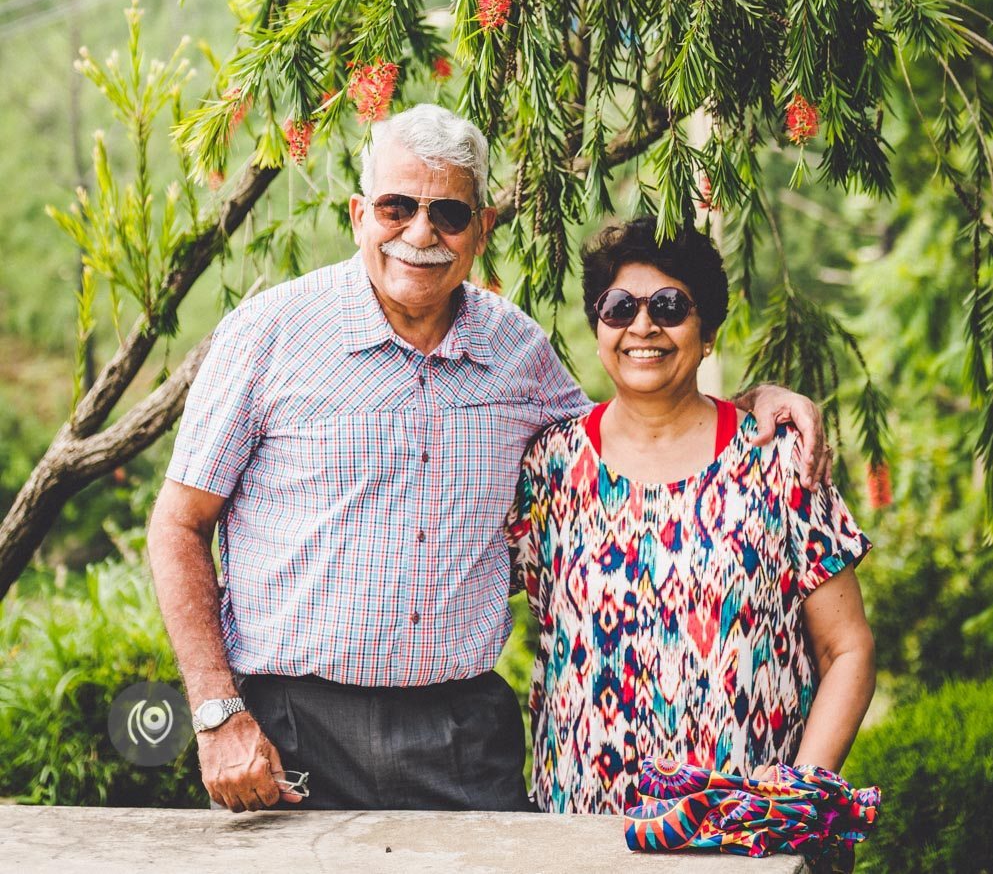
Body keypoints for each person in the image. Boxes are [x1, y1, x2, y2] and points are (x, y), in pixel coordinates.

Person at [147, 105, 827, 814]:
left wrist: (744, 406)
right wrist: (219, 715)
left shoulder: (519, 352)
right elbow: (178, 528)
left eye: (447, 213)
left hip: (463, 739)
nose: (420, 233)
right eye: (396, 207)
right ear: (358, 214)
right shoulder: (268, 335)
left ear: (481, 229)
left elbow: (631, 433)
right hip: (293, 730)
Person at [506, 216, 875, 815]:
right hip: (580, 831)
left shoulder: (778, 460)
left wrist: (792, 801)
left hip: (745, 834)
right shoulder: (548, 465)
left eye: (671, 306)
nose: (643, 326)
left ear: (707, 333)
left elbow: (847, 651)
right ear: (598, 325)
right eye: (620, 306)